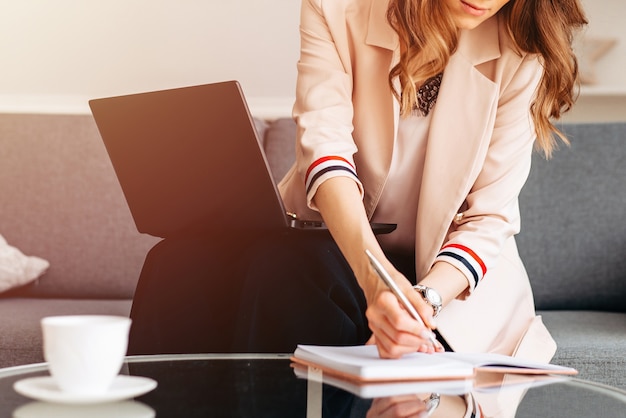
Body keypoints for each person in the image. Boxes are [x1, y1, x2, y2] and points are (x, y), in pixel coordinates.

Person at [128, 0, 587, 361]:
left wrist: (420, 302)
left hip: (445, 274)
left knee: (283, 274)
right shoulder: (335, 7)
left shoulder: (524, 55)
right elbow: (325, 151)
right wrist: (376, 279)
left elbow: (489, 218)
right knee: (176, 262)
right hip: (339, 239)